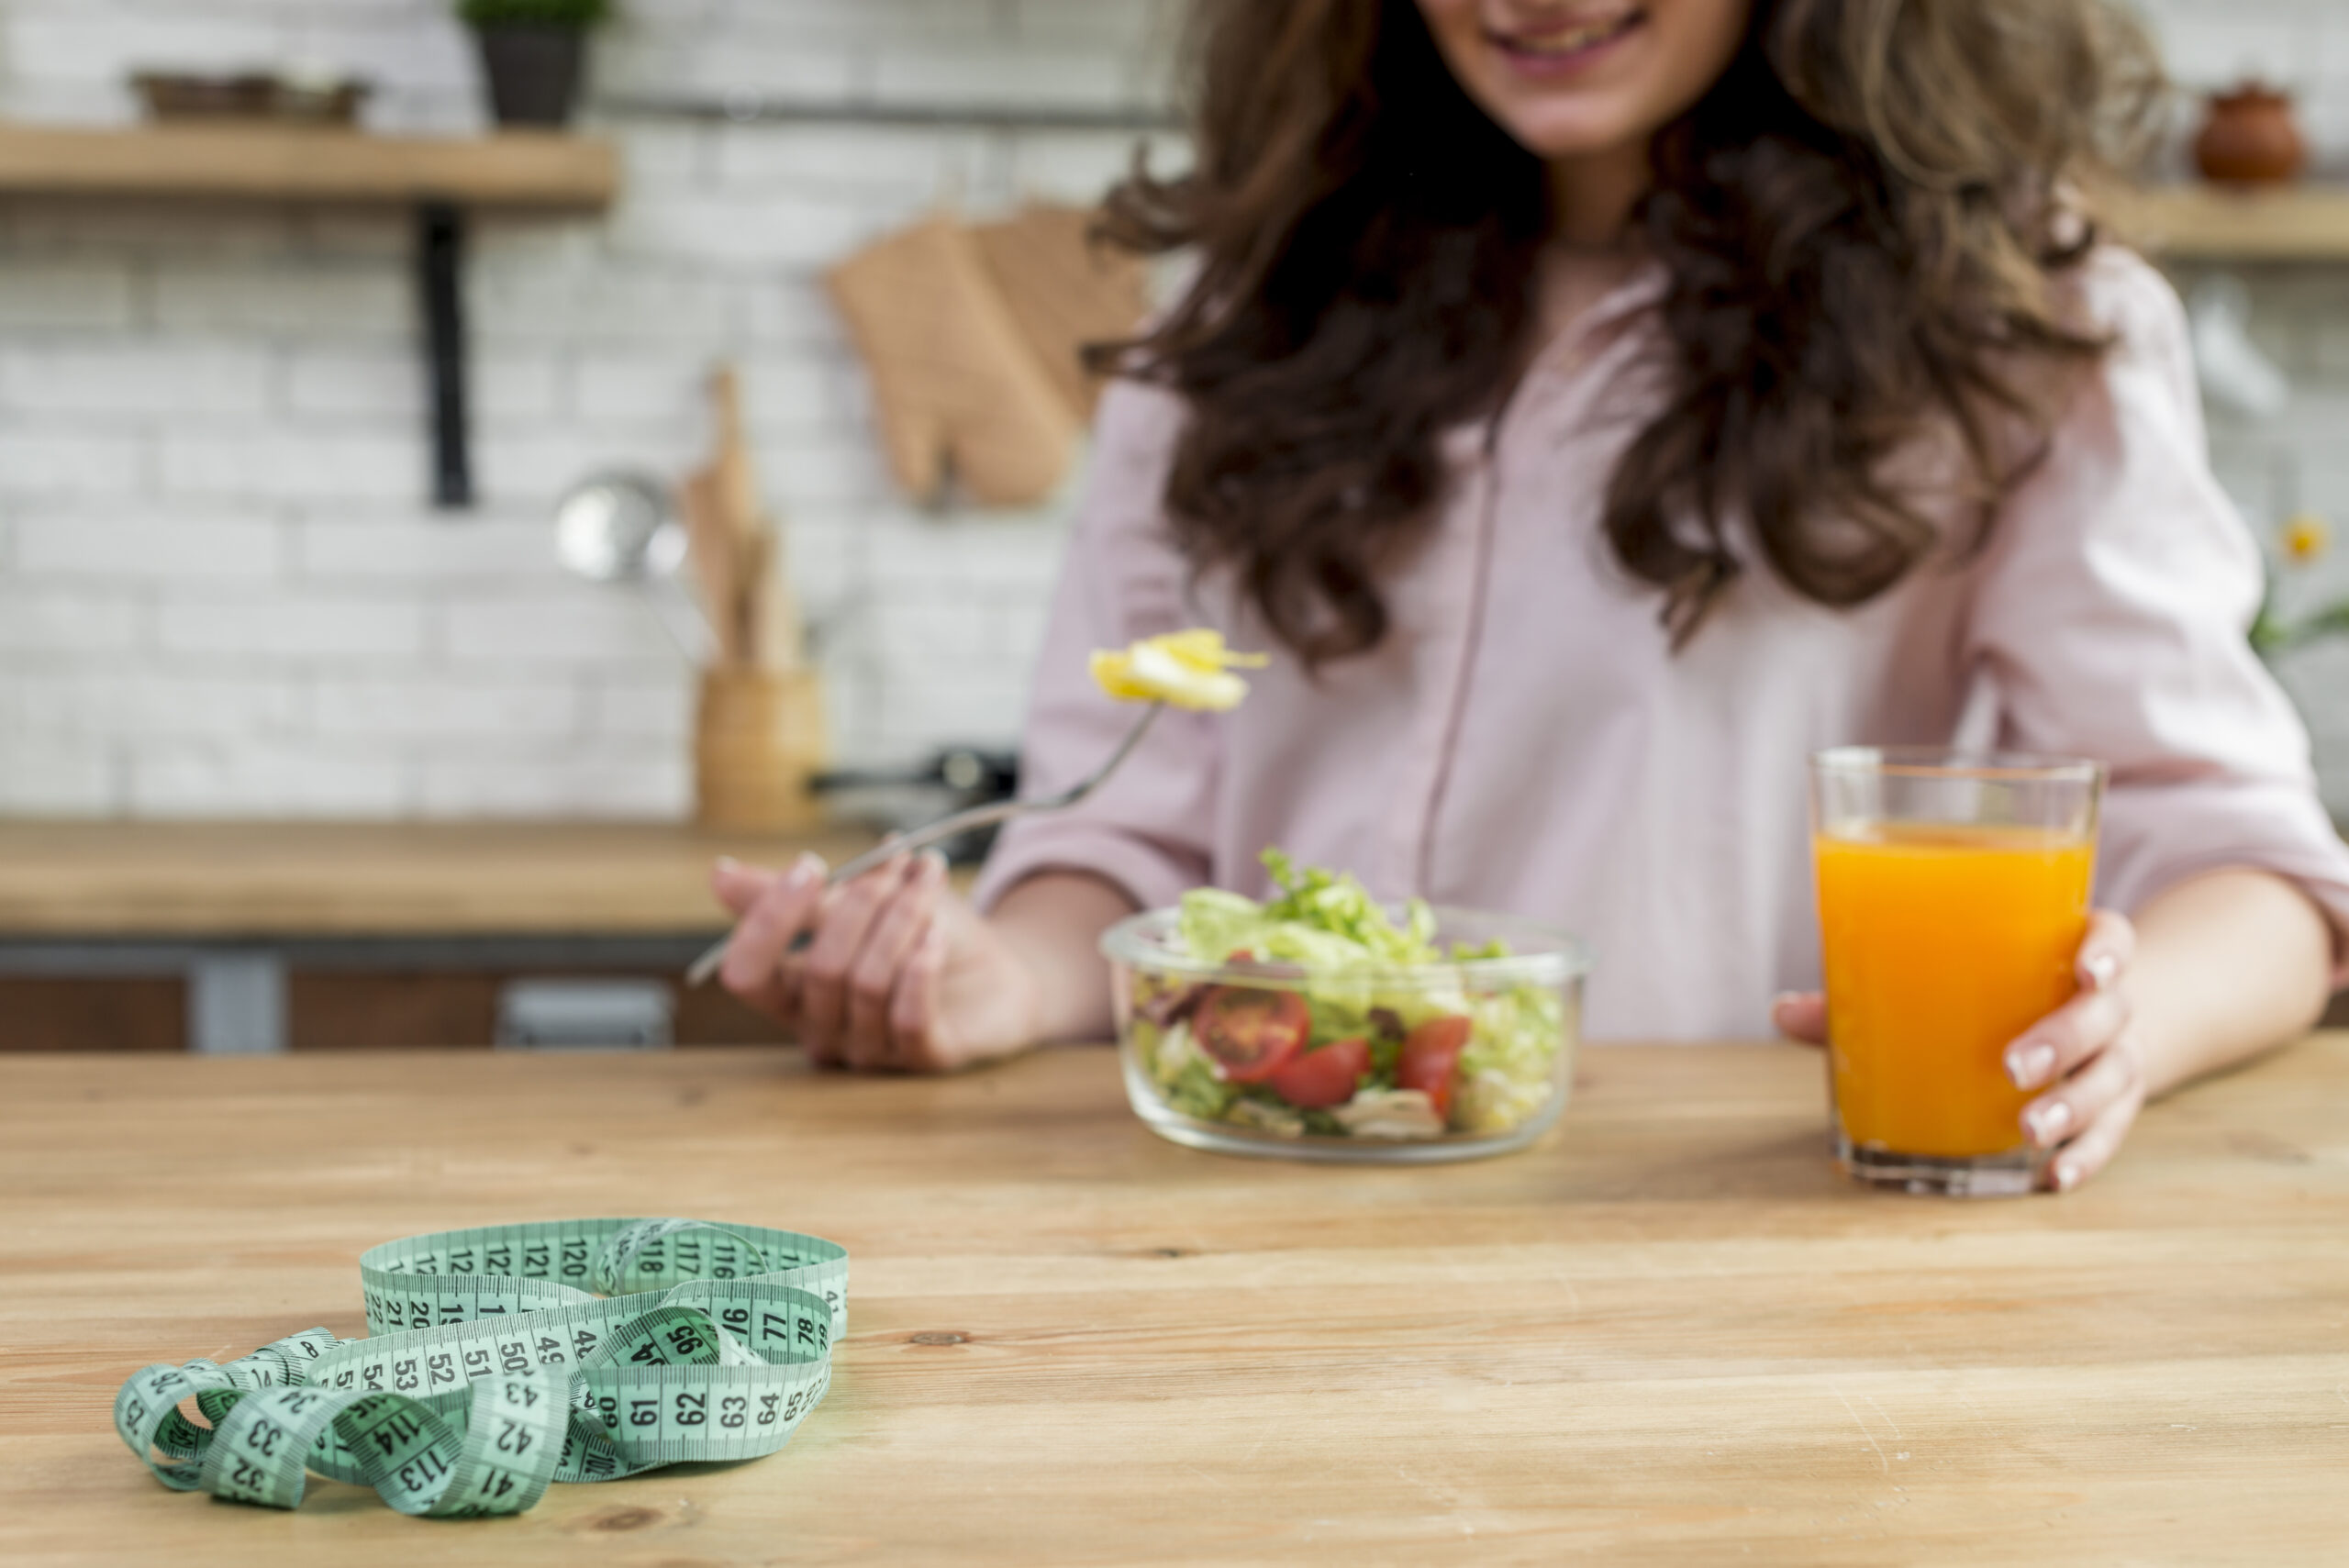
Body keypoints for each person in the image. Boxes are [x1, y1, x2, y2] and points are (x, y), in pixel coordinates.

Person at [712, 0, 2349, 1191]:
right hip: (1261, 1217)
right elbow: (1125, 837)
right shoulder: (1241, 318)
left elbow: (2257, 869)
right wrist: (996, 976)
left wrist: (2121, 1029)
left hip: (1707, 1248)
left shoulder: (2017, 325)